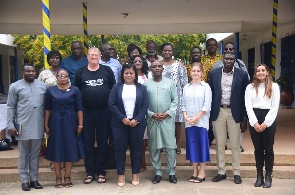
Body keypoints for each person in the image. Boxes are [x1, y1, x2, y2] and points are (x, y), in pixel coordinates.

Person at [74, 47, 116, 184]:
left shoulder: (107, 71)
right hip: (86, 112)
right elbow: (76, 92)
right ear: (87, 56)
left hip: (104, 111)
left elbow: (113, 89)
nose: (93, 56)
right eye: (91, 54)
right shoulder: (81, 72)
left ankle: (101, 172)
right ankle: (90, 172)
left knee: (103, 141)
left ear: (99, 56)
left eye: (96, 54)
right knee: (88, 142)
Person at [208, 52, 249, 184]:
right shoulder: (214, 73)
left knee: (235, 145)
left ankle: (236, 172)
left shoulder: (242, 74)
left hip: (235, 113)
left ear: (235, 60)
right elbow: (210, 93)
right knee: (220, 144)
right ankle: (221, 172)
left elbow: (245, 97)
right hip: (218, 111)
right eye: (227, 58)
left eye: (231, 59)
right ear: (223, 59)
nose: (229, 61)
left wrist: (244, 118)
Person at [7, 63, 46, 191]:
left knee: (35, 154)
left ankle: (34, 179)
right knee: (23, 154)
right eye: (28, 71)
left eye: (33, 71)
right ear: (23, 72)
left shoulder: (42, 86)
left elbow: (47, 108)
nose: (31, 73)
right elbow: (11, 107)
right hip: (22, 126)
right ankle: (24, 180)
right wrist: (11, 125)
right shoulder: (15, 86)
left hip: (38, 125)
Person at [108, 63, 149, 187]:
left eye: (131, 73)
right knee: (120, 149)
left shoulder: (142, 88)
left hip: (137, 124)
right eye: (126, 73)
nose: (129, 75)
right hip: (119, 124)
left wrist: (137, 119)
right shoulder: (116, 87)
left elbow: (145, 105)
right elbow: (111, 104)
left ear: (135, 74)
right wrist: (122, 118)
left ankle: (135, 174)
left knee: (136, 149)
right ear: (122, 74)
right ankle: (120, 174)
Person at [44, 68, 84, 188]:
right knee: (57, 147)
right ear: (56, 77)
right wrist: (46, 124)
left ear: (68, 77)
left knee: (69, 148)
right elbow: (47, 109)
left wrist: (80, 124)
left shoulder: (75, 90)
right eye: (60, 76)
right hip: (55, 121)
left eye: (65, 75)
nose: (62, 78)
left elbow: (79, 108)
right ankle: (58, 177)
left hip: (70, 120)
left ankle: (67, 176)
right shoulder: (51, 90)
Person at [245, 64, 280, 188]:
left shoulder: (274, 87)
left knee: (268, 149)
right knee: (258, 149)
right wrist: (254, 122)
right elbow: (248, 106)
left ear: (267, 72)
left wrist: (266, 123)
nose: (260, 73)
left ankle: (268, 176)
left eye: (262, 70)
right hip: (255, 118)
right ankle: (259, 175)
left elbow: (275, 106)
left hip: (268, 118)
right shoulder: (250, 87)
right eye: (258, 71)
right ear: (255, 73)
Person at [144, 60, 178, 184]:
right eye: (154, 67)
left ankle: (171, 172)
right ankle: (157, 172)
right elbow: (143, 104)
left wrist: (167, 113)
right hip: (152, 120)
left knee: (170, 146)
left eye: (159, 66)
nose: (157, 68)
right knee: (154, 147)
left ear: (163, 69)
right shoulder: (146, 85)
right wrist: (151, 114)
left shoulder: (170, 83)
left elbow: (175, 100)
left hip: (167, 120)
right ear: (151, 69)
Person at [212, 42, 250, 152]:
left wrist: (245, 116)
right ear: (223, 52)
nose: (229, 50)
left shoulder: (241, 64)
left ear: (234, 50)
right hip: (221, 105)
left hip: (236, 103)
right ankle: (223, 144)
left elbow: (245, 82)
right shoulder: (216, 66)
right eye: (226, 49)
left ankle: (239, 144)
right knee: (221, 134)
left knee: (237, 132)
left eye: (231, 49)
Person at [182, 62, 212, 183]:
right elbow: (183, 104)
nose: (195, 73)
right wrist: (186, 117)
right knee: (192, 146)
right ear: (190, 73)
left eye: (198, 71)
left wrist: (197, 118)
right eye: (193, 71)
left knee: (202, 146)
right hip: (189, 123)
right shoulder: (186, 87)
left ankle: (202, 172)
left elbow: (207, 106)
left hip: (201, 122)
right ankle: (194, 171)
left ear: (202, 73)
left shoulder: (206, 87)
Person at [160, 42, 188, 154]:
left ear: (173, 52)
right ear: (161, 52)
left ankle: (176, 144)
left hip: (176, 97)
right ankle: (162, 144)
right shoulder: (157, 64)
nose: (167, 52)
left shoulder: (179, 64)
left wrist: (184, 96)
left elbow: (184, 81)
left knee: (176, 122)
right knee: (162, 120)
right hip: (161, 97)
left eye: (169, 50)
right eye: (165, 50)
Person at [38, 50, 63, 171]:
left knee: (61, 136)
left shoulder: (63, 72)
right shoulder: (44, 74)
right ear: (49, 60)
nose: (55, 60)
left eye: (57, 58)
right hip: (48, 108)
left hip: (62, 109)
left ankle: (62, 159)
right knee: (50, 136)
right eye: (52, 58)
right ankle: (53, 161)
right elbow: (39, 89)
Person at [201, 38, 223, 147]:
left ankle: (222, 140)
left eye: (214, 45)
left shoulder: (222, 59)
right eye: (209, 45)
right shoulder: (202, 59)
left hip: (220, 91)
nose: (211, 47)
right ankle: (209, 137)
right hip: (205, 90)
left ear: (217, 46)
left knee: (220, 115)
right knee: (207, 115)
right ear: (206, 47)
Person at [131, 55, 149, 172]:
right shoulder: (129, 76)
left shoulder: (148, 76)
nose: (138, 62)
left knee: (143, 139)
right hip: (131, 112)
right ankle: (136, 163)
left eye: (140, 61)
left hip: (145, 111)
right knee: (135, 140)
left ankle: (143, 163)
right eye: (135, 61)